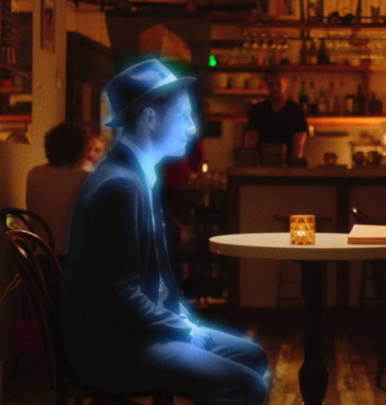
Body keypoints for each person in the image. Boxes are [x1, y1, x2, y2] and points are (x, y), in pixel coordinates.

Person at [60, 59, 268, 405]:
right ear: (150, 118)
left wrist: (183, 323)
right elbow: (120, 295)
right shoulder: (120, 187)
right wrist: (185, 330)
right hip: (114, 347)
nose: (192, 128)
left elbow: (152, 283)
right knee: (245, 385)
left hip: (137, 331)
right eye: (183, 117)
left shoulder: (135, 175)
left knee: (254, 357)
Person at [25, 122, 89, 260]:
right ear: (80, 150)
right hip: (72, 261)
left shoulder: (35, 173)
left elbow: (33, 215)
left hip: (40, 259)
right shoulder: (85, 178)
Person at [243, 69, 308, 164]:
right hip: (262, 166)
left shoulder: (296, 111)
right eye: (271, 84)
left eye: (278, 84)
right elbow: (250, 145)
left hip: (288, 167)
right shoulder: (257, 110)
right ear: (266, 85)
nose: (275, 88)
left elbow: (298, 147)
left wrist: (293, 167)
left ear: (286, 83)